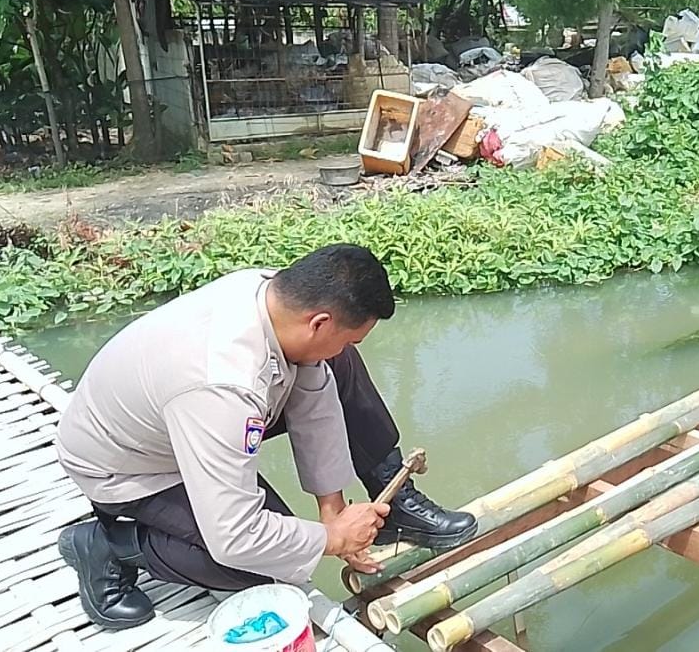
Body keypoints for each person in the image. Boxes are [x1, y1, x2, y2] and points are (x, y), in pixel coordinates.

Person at [55, 244, 477, 629]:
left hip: (181, 420)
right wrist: (332, 539)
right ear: (319, 322)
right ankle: (108, 544)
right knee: (259, 566)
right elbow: (235, 536)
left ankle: (396, 504)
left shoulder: (276, 295)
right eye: (347, 335)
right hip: (128, 465)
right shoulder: (223, 385)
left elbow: (315, 389)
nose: (345, 345)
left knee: (338, 364)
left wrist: (332, 509)